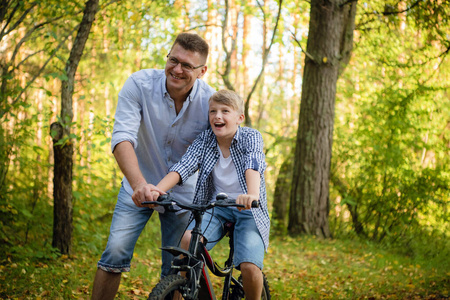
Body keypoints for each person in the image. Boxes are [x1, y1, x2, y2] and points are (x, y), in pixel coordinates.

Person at [91, 32, 215, 300]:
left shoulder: (210, 103)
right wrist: (139, 185)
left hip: (183, 194)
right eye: (173, 60)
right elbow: (122, 137)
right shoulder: (139, 84)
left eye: (187, 66)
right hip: (138, 184)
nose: (177, 69)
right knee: (114, 252)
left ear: (202, 71)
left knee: (176, 269)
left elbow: (220, 148)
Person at [151, 90, 270, 300]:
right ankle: (187, 291)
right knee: (188, 243)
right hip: (216, 208)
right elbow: (184, 166)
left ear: (239, 118)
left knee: (249, 267)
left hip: (248, 210)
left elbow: (253, 164)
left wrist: (251, 195)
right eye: (213, 111)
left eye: (225, 111)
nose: (218, 116)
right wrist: (158, 190)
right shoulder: (205, 140)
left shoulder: (250, 137)